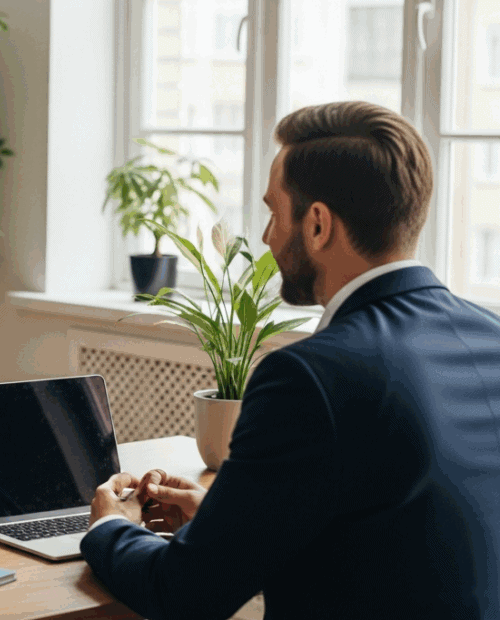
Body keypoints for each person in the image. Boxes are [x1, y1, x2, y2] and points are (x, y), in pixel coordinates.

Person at [82, 101, 500, 619]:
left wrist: (107, 526)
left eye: (274, 213)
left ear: (318, 224)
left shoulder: (311, 377)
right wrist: (226, 520)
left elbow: (183, 593)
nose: (266, 238)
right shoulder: (491, 336)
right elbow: (407, 533)